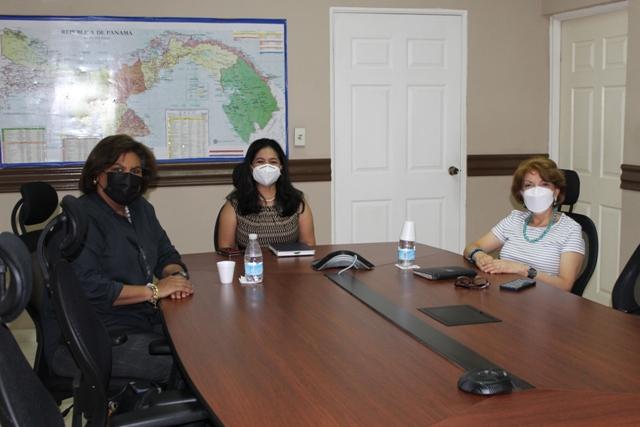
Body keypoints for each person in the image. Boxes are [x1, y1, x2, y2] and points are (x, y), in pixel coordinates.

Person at [59, 134, 193, 383]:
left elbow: (166, 254)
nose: (128, 177)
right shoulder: (84, 217)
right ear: (97, 174)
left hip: (142, 318)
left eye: (136, 171)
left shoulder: (140, 208)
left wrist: (175, 277)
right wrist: (154, 290)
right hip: (101, 334)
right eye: (117, 170)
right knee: (191, 370)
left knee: (206, 345)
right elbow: (88, 287)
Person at [463, 157, 585, 292]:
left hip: (546, 303)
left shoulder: (570, 229)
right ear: (521, 193)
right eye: (529, 185)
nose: (536, 191)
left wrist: (522, 269)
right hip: (505, 294)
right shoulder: (514, 219)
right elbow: (471, 247)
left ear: (555, 192)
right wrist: (479, 255)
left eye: (544, 184)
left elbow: (565, 285)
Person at [217, 138, 316, 249]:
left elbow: (309, 244)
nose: (267, 167)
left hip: (289, 265)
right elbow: (225, 248)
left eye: (273, 162)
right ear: (251, 167)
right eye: (260, 162)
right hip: (250, 265)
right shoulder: (234, 204)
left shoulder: (297, 201)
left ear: (281, 167)